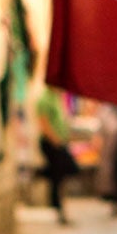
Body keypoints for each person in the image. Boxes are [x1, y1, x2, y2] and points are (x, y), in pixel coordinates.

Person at [35, 86, 78, 224]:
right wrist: (55, 140)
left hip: (60, 141)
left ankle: (41, 173)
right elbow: (44, 122)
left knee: (62, 173)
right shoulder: (44, 99)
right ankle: (59, 208)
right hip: (52, 142)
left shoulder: (57, 98)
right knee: (59, 174)